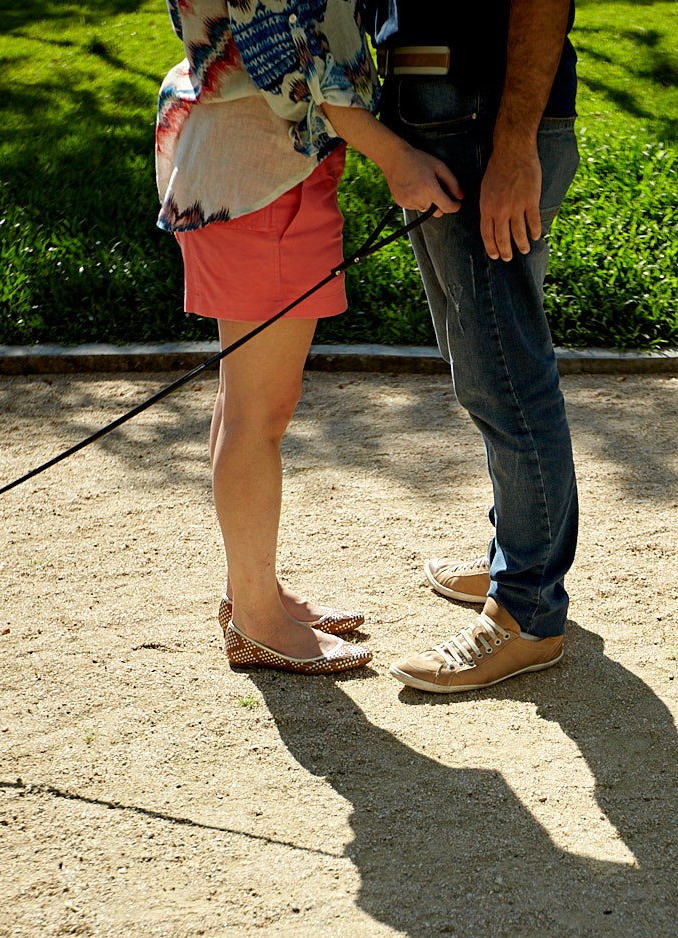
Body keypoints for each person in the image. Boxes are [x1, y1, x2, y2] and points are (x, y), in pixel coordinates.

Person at [155, 0, 460, 675]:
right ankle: (258, 621)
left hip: (245, 162)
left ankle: (252, 595)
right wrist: (396, 158)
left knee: (246, 404)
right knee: (259, 414)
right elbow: (303, 55)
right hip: (261, 176)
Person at [369, 0, 584, 693]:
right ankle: (516, 561)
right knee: (486, 369)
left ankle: (526, 611)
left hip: (487, 126)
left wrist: (516, 144)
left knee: (506, 377)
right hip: (444, 121)